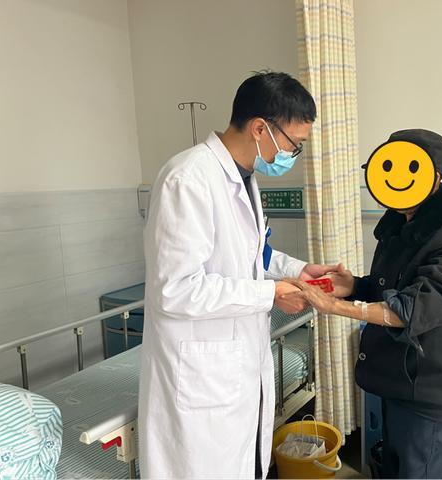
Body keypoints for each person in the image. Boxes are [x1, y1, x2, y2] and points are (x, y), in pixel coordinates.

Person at [139, 72, 339, 479]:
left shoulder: (244, 178)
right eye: (294, 144)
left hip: (236, 366)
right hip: (200, 376)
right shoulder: (188, 179)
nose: (294, 154)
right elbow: (175, 289)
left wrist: (298, 270)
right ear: (260, 128)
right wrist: (270, 294)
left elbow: (253, 254)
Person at [286, 129, 442, 479]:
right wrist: (353, 286)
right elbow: (392, 288)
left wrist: (335, 307)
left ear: (435, 177)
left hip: (429, 394)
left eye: (409, 169)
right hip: (398, 381)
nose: (394, 180)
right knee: (391, 467)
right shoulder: (403, 226)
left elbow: (412, 309)